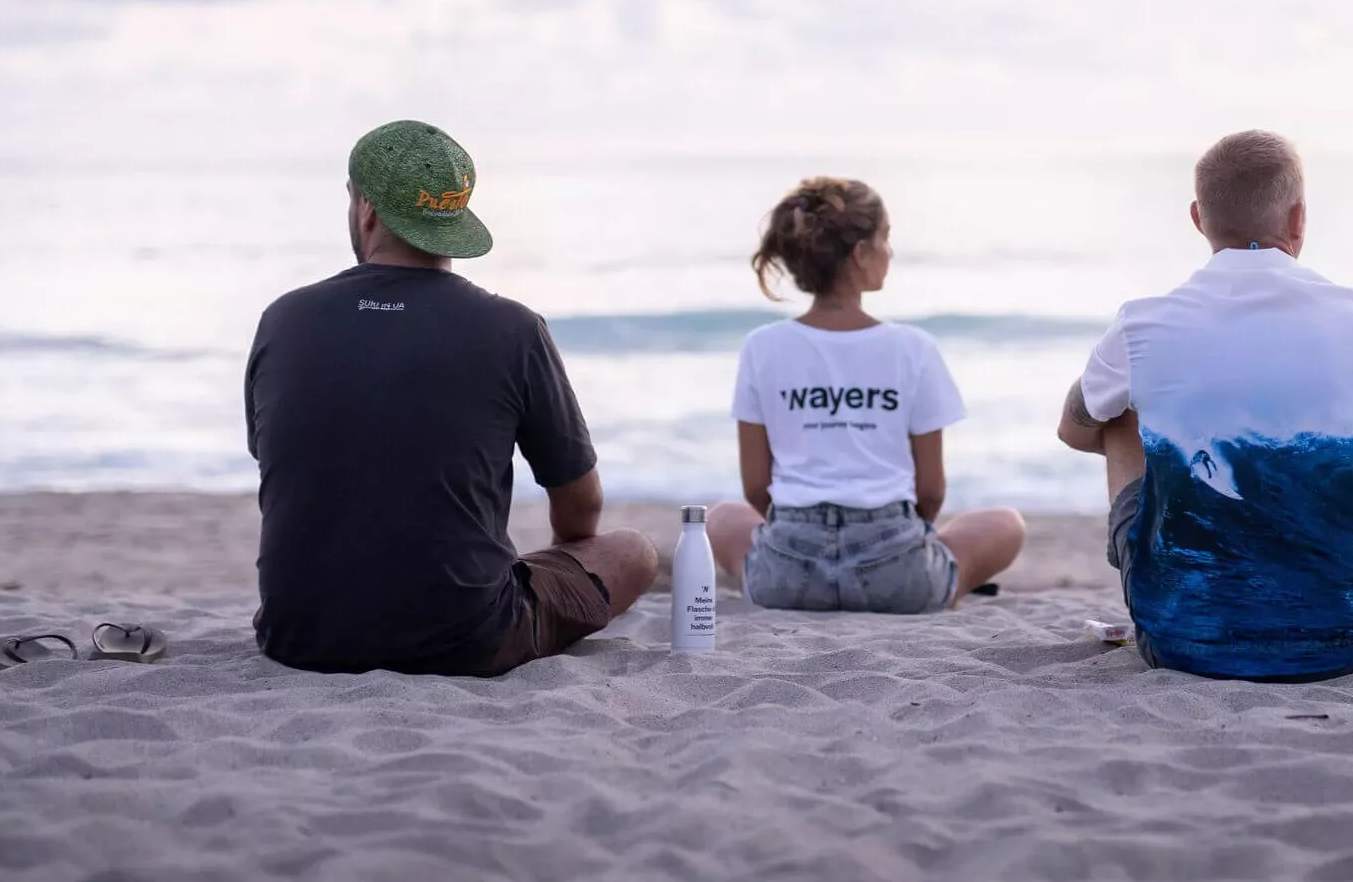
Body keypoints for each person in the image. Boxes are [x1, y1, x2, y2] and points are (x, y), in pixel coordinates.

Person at [244, 119, 657, 675]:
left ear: (366, 209)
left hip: (297, 636)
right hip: (464, 641)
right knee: (633, 550)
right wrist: (565, 560)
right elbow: (581, 506)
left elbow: (284, 459)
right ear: (455, 214)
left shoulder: (283, 319)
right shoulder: (511, 328)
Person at [1057, 131, 1353, 682]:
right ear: (1299, 218)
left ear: (1198, 218)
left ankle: (1165, 565)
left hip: (1181, 642)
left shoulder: (1142, 323)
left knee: (1115, 413)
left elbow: (1074, 432)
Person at [706, 178, 1026, 612]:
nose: (890, 252)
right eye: (885, 239)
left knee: (720, 517)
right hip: (896, 569)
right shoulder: (913, 348)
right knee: (1006, 524)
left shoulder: (761, 346)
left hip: (786, 572)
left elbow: (756, 487)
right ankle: (940, 586)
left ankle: (797, 584)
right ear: (860, 253)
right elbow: (930, 492)